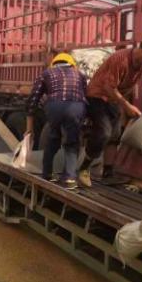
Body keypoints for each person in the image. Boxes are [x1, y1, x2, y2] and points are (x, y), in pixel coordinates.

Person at [77, 33, 142, 188]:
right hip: (98, 97)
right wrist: (127, 106)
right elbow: (109, 87)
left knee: (115, 136)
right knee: (104, 133)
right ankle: (83, 168)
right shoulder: (120, 59)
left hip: (114, 99)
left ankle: (107, 173)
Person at [25, 53, 87, 189]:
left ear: (54, 64)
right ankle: (70, 178)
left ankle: (47, 173)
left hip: (54, 106)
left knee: (53, 137)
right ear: (72, 65)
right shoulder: (80, 75)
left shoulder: (46, 73)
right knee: (72, 142)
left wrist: (29, 128)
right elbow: (84, 95)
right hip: (76, 107)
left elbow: (33, 99)